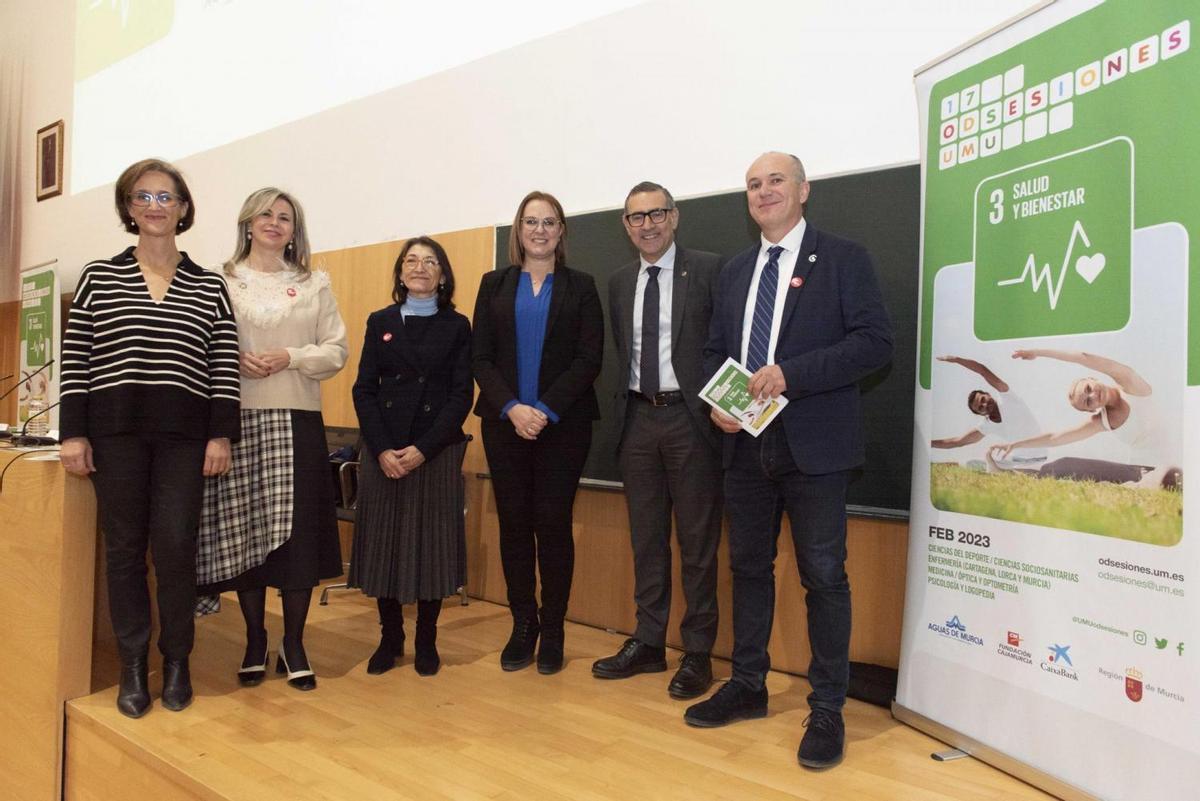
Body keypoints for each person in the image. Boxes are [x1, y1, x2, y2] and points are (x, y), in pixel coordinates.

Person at [688, 152, 892, 769]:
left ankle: (827, 708)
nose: (763, 191)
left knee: (823, 577)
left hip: (816, 446)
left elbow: (874, 344)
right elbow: (715, 351)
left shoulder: (844, 258)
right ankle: (748, 684)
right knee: (748, 568)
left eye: (776, 180)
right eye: (753, 184)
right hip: (745, 446)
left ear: (803, 190)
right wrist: (717, 403)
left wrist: (789, 376)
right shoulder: (734, 270)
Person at [59, 158, 239, 717]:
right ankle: (133, 665)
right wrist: (73, 433)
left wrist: (221, 436)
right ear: (128, 207)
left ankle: (178, 659)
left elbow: (223, 367)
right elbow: (77, 360)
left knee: (177, 549)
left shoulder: (209, 284)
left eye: (166, 197)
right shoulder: (99, 276)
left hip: (186, 439)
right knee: (123, 552)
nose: (155, 206)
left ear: (183, 208)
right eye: (143, 196)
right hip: (116, 435)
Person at [196, 187, 347, 692]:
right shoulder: (219, 280)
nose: (274, 222)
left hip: (297, 420)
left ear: (294, 230)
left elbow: (336, 351)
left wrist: (292, 356)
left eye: (285, 217)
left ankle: (295, 643)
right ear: (247, 222)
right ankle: (256, 638)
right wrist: (231, 359)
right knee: (247, 534)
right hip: (236, 421)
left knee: (298, 537)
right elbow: (202, 344)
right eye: (265, 213)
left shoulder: (312, 283)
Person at [591, 181, 722, 700]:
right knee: (646, 540)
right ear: (625, 226)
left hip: (691, 421)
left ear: (674, 217)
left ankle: (698, 651)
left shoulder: (708, 270)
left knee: (697, 544)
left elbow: (726, 343)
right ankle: (648, 642)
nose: (647, 225)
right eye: (636, 217)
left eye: (656, 213)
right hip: (637, 421)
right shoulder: (620, 281)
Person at [471, 191, 603, 675]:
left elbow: (589, 359)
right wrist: (512, 408)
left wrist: (542, 410)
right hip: (504, 424)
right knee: (513, 525)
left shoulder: (582, 286)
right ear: (518, 230)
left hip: (562, 426)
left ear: (561, 230)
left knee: (552, 524)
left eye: (549, 222)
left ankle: (554, 628)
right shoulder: (493, 284)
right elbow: (480, 357)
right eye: (531, 221)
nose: (540, 230)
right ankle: (522, 624)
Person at [349, 236, 473, 677]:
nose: (420, 267)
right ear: (401, 273)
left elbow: (461, 395)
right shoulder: (379, 321)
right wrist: (382, 448)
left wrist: (424, 449)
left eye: (430, 261)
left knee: (431, 549)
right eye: (412, 261)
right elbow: (364, 389)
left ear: (443, 275)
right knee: (385, 547)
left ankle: (426, 640)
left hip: (434, 451)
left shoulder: (457, 326)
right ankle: (390, 638)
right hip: (384, 450)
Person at [991, 349, 1167, 466]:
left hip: (1173, 454)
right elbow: (1055, 438)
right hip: (1145, 467)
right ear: (1092, 410)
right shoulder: (1102, 421)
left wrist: (1037, 352)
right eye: (1088, 402)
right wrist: (1015, 445)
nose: (1093, 396)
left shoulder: (1128, 382)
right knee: (1063, 465)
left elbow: (1083, 357)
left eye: (1088, 389)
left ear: (1093, 378)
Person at [930, 354, 1046, 467]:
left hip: (1041, 454)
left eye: (983, 399)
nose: (985, 405)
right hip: (1018, 460)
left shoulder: (1007, 397)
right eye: (980, 408)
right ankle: (945, 465)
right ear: (981, 414)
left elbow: (982, 370)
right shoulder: (987, 425)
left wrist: (957, 360)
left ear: (988, 394)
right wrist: (928, 442)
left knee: (996, 462)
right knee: (976, 462)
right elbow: (958, 442)